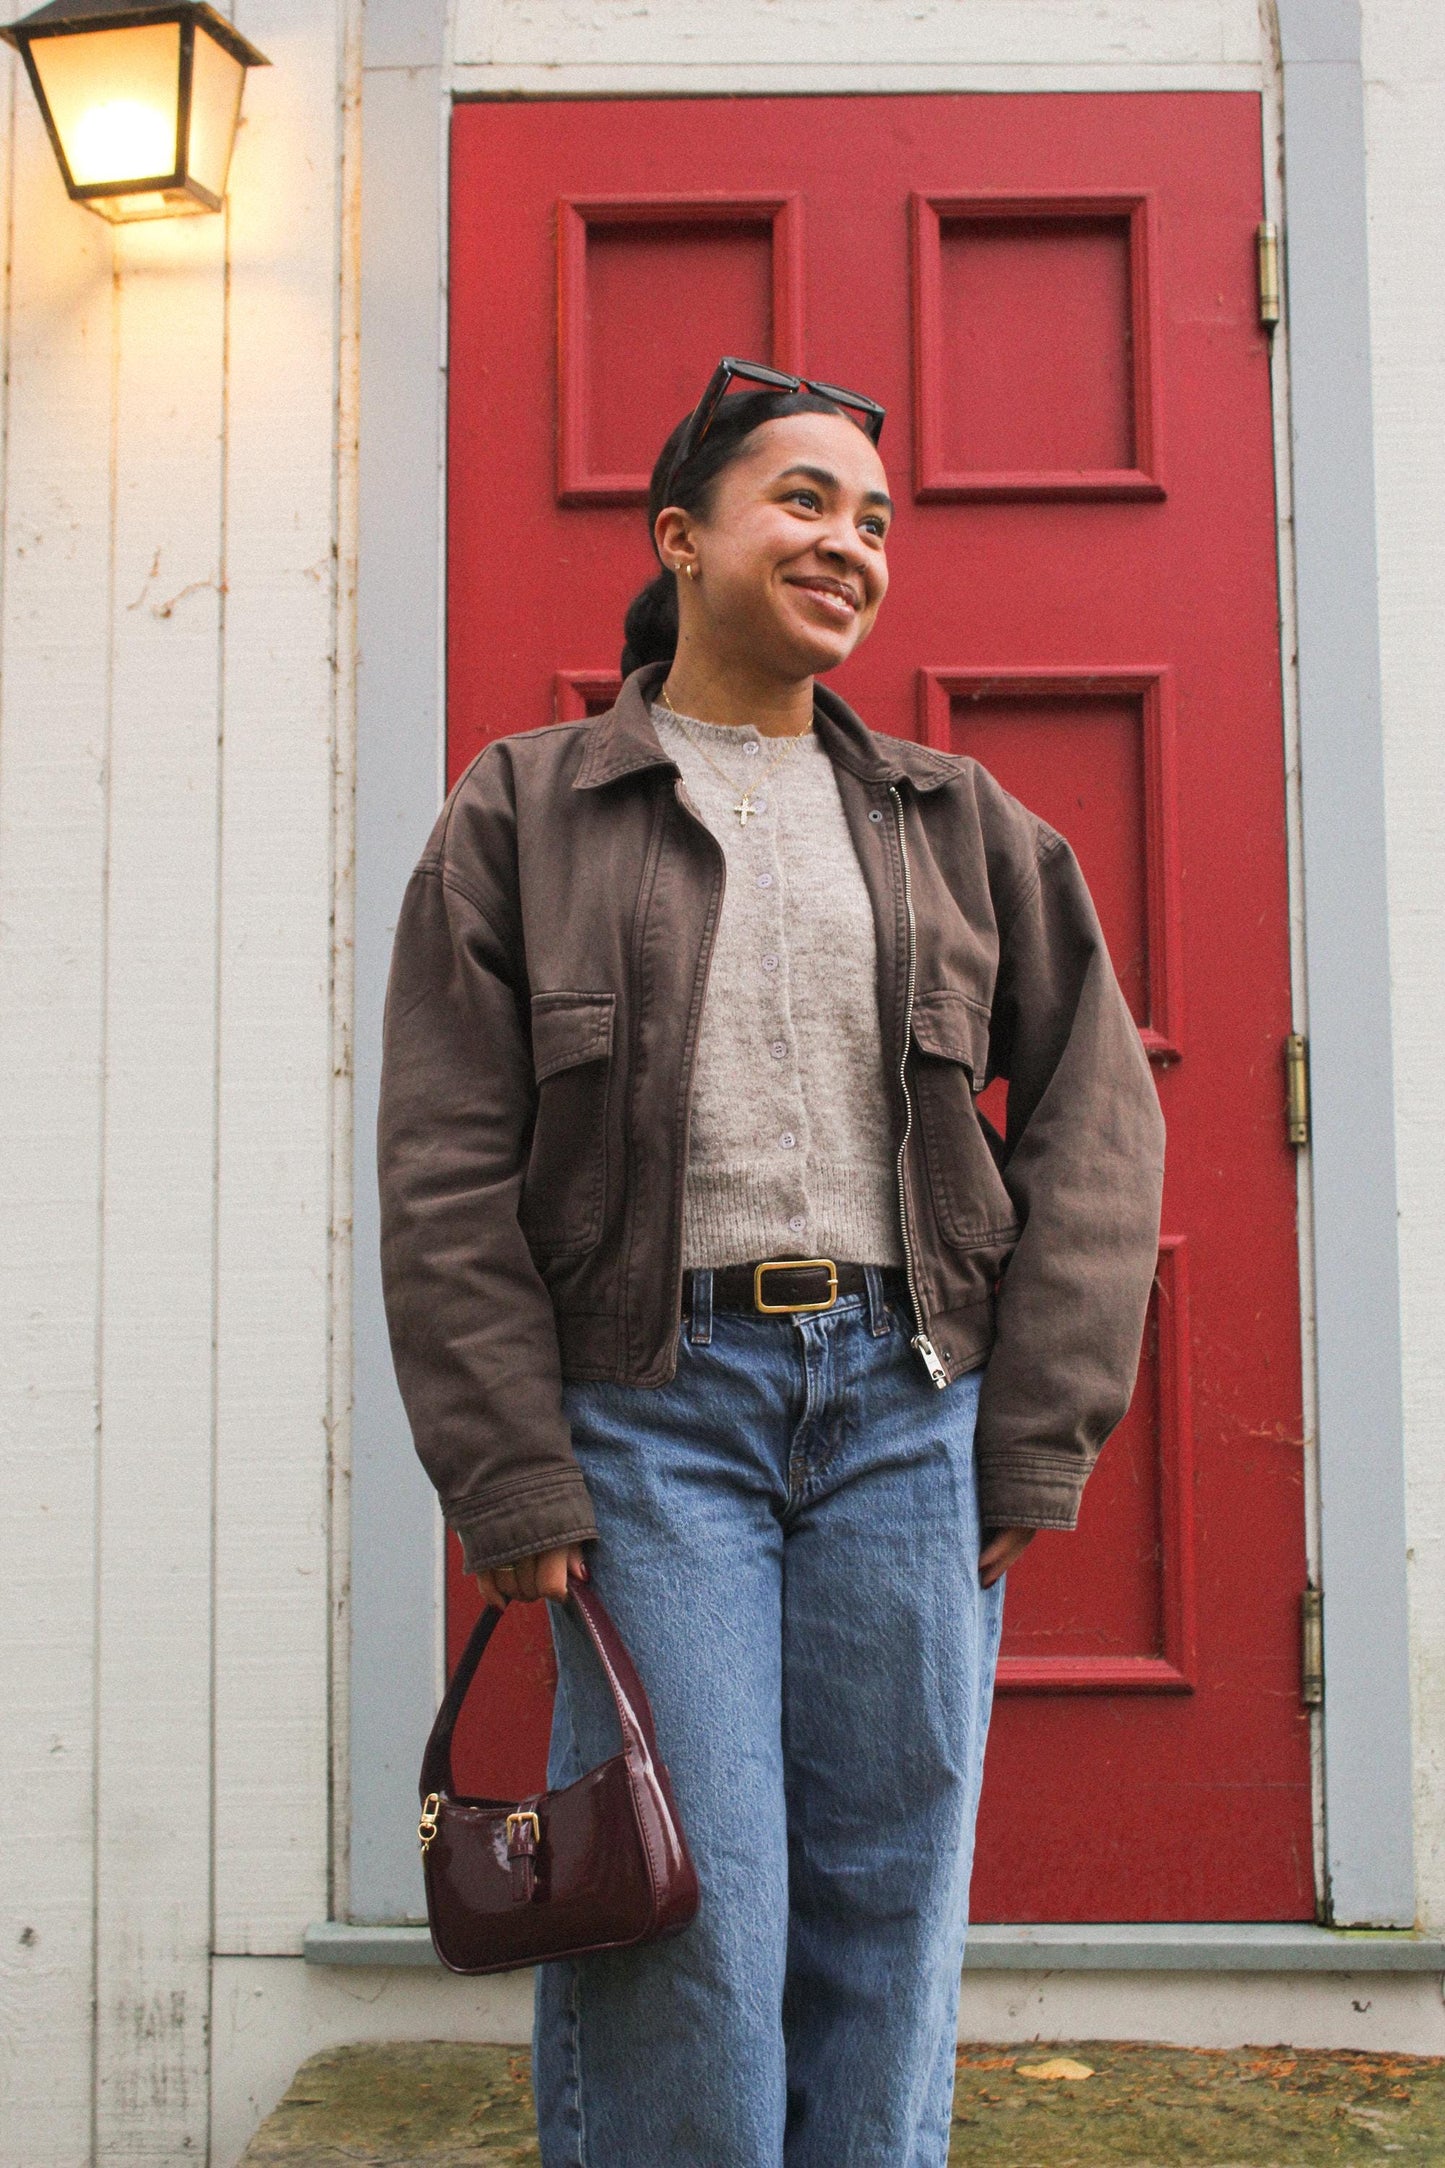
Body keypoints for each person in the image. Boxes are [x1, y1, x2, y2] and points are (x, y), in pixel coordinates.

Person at [377, 357, 1165, 2167]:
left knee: (890, 1885)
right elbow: (443, 1164)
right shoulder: (526, 810)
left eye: (873, 519)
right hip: (651, 1417)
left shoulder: (958, 823)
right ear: (680, 538)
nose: (848, 543)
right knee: (693, 1896)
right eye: (802, 501)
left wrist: (1035, 1429)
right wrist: (508, 1467)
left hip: (907, 1407)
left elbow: (1095, 1118)